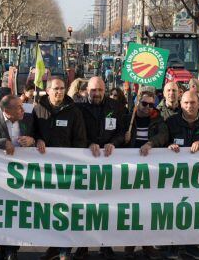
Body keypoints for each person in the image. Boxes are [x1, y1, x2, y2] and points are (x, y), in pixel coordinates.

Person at [33, 77, 87, 260]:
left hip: (67, 170)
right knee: (49, 210)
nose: (59, 92)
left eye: (62, 88)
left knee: (67, 210)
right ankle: (53, 247)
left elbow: (81, 140)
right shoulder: (38, 109)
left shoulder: (74, 111)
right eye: (56, 89)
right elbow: (32, 133)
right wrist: (37, 140)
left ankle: (65, 249)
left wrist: (73, 160)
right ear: (47, 91)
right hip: (45, 170)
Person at [74, 77, 125, 260]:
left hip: (109, 162)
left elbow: (122, 131)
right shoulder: (78, 106)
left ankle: (106, 244)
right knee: (85, 206)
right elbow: (75, 132)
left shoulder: (116, 106)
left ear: (105, 90)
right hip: (86, 161)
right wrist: (89, 144)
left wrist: (114, 143)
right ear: (87, 89)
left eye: (100, 90)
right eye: (93, 90)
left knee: (108, 206)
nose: (96, 94)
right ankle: (82, 245)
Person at [165, 91, 199, 260]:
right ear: (180, 104)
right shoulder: (171, 122)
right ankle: (173, 245)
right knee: (174, 211)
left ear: (198, 104)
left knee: (194, 212)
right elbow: (164, 141)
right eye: (186, 103)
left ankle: (191, 245)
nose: (189, 106)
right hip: (175, 177)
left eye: (193, 103)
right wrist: (168, 146)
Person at [0, 95, 35, 260]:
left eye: (22, 106)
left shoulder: (29, 119)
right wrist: (2, 142)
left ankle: (12, 248)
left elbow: (41, 137)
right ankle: (3, 247)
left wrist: (32, 140)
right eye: (18, 107)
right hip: (0, 174)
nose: (22, 110)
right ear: (6, 110)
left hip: (24, 174)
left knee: (18, 211)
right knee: (1, 211)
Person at [122, 90, 167, 260]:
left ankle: (147, 245)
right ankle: (129, 247)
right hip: (130, 170)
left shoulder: (157, 119)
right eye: (144, 104)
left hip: (149, 171)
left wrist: (151, 143)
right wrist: (122, 138)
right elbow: (117, 136)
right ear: (137, 103)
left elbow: (163, 134)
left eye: (151, 104)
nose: (148, 108)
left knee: (147, 210)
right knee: (131, 210)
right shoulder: (128, 119)